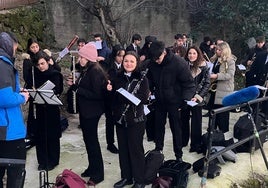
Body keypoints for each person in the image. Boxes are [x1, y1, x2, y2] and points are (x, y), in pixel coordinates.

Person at [147, 41, 195, 162]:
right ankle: (158, 150)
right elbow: (150, 79)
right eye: (154, 59)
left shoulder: (179, 63)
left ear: (164, 52)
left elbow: (189, 83)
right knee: (158, 127)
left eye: (158, 58)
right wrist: (148, 89)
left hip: (175, 102)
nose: (156, 61)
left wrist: (185, 100)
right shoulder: (153, 63)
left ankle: (178, 155)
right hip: (159, 101)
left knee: (176, 128)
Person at [107, 51, 150, 188]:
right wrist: (108, 90)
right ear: (122, 62)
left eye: (132, 61)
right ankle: (126, 177)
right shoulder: (117, 77)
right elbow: (112, 98)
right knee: (123, 150)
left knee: (136, 150)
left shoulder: (142, 78)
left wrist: (124, 96)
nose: (128, 64)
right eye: (126, 61)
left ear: (137, 63)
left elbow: (143, 99)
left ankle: (139, 180)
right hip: (120, 119)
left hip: (136, 120)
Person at [67, 43, 107, 184]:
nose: (80, 60)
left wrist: (77, 89)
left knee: (92, 143)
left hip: (92, 112)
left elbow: (96, 94)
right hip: (86, 111)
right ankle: (92, 167)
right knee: (88, 141)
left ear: (89, 58)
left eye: (82, 57)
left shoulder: (95, 71)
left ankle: (98, 174)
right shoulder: (87, 70)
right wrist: (74, 84)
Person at [0, 32, 30, 188]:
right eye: (15, 48)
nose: (15, 52)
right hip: (8, 131)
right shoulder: (3, 65)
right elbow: (4, 98)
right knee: (15, 174)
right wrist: (22, 97)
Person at [28, 50, 63, 171]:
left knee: (52, 135)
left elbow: (58, 89)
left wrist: (45, 91)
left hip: (51, 108)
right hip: (38, 108)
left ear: (48, 62)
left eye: (42, 63)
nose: (40, 67)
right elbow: (29, 87)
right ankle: (42, 160)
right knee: (40, 134)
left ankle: (53, 160)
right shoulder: (35, 74)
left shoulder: (54, 74)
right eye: (38, 65)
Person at [181, 46, 210, 153]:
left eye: (194, 53)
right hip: (185, 98)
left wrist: (198, 97)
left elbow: (207, 83)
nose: (191, 55)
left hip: (197, 99)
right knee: (183, 120)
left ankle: (195, 144)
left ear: (198, 54)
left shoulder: (204, 66)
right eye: (189, 53)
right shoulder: (183, 65)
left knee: (196, 122)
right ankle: (183, 141)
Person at [206, 41, 236, 133]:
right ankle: (211, 135)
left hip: (224, 91)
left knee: (222, 116)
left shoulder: (230, 61)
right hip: (213, 90)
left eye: (219, 50)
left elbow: (230, 75)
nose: (217, 51)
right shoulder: (214, 59)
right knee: (212, 115)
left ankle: (223, 137)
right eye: (216, 49)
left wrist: (216, 76)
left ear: (225, 50)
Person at [104, 44, 126, 154]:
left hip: (121, 98)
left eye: (123, 56)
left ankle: (122, 141)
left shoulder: (124, 66)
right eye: (119, 56)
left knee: (120, 121)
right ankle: (110, 143)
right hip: (110, 98)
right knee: (110, 121)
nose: (121, 58)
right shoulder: (108, 66)